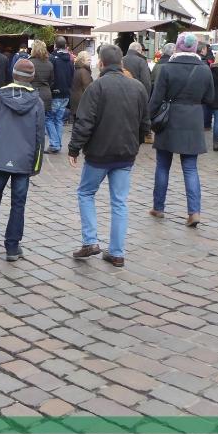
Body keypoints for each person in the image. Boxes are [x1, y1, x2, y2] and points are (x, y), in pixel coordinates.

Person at [68, 44, 150, 267]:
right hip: (125, 154)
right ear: (121, 63)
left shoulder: (96, 88)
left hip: (99, 154)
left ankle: (90, 241)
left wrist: (74, 148)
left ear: (101, 64)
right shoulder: (138, 87)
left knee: (86, 192)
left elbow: (84, 122)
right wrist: (137, 143)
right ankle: (116, 252)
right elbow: (145, 123)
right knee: (120, 202)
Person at [0, 59, 43, 262]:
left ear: (13, 75)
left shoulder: (0, 97)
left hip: (1, 157)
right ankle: (12, 246)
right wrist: (36, 165)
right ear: (31, 78)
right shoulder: (36, 102)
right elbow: (40, 136)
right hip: (24, 160)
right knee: (18, 203)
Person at [147, 32, 214, 228]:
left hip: (170, 120)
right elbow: (210, 98)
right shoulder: (204, 70)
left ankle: (158, 207)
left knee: (162, 165)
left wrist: (148, 119)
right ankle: (194, 212)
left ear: (178, 47)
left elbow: (156, 98)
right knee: (191, 168)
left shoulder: (167, 68)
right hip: (193, 120)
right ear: (195, 48)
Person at [46, 36, 75, 153]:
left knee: (49, 119)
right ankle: (58, 144)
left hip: (55, 93)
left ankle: (55, 144)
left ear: (55, 45)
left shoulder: (52, 58)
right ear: (65, 46)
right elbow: (72, 76)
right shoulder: (70, 59)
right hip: (66, 94)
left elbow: (51, 77)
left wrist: (51, 88)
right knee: (58, 119)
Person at [28, 41, 54, 148]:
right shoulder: (49, 63)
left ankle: (34, 144)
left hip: (32, 94)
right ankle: (53, 143)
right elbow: (52, 81)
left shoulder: (29, 63)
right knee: (47, 119)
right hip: (46, 94)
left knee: (32, 121)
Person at [70, 50, 93, 117]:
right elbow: (89, 89)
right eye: (88, 59)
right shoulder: (84, 72)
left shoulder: (78, 69)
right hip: (82, 104)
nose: (90, 60)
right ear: (82, 60)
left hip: (76, 103)